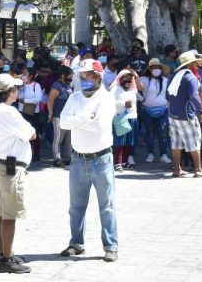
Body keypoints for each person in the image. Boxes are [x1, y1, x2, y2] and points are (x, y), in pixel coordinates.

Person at [58, 59, 119, 262]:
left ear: (97, 76)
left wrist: (78, 120)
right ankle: (76, 243)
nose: (83, 79)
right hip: (77, 160)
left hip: (101, 159)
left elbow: (100, 126)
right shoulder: (75, 97)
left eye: (87, 76)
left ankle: (111, 246)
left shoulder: (106, 99)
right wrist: (86, 119)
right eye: (81, 76)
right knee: (75, 206)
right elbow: (64, 122)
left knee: (107, 206)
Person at [0, 73, 34, 274]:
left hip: (1, 165)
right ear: (9, 92)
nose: (17, 91)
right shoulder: (8, 112)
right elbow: (31, 133)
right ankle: (7, 258)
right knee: (10, 215)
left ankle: (3, 252)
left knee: (2, 212)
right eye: (15, 88)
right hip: (11, 168)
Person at [165, 51, 202, 177]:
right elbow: (194, 96)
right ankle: (198, 169)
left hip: (173, 115)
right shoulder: (190, 78)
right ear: (191, 64)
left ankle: (177, 169)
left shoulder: (173, 76)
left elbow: (167, 96)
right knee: (194, 141)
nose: (197, 65)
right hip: (186, 115)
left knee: (176, 143)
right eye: (195, 63)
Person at [138, 59, 171, 164]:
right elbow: (134, 89)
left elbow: (170, 93)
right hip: (146, 110)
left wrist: (168, 104)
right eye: (154, 67)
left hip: (163, 109)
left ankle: (164, 154)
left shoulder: (165, 80)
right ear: (150, 69)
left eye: (158, 67)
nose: (157, 69)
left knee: (163, 133)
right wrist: (141, 99)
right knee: (148, 133)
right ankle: (150, 154)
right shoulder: (143, 79)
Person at [111, 69, 142, 170]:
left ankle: (124, 162)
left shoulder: (133, 89)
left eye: (130, 78)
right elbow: (109, 102)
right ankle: (118, 163)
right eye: (125, 78)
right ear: (120, 78)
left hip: (132, 117)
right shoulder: (115, 89)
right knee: (120, 141)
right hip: (120, 117)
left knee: (129, 141)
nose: (128, 80)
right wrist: (123, 104)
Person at [47, 66, 73, 167]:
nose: (71, 78)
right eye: (70, 76)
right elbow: (50, 100)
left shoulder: (67, 85)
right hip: (58, 116)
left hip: (69, 117)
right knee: (58, 138)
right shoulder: (57, 85)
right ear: (63, 76)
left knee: (68, 139)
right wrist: (50, 114)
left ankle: (68, 158)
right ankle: (57, 158)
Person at [18, 67, 43, 162]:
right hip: (22, 111)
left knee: (34, 132)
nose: (23, 76)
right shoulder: (21, 85)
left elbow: (38, 98)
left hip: (33, 113)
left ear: (31, 76)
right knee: (23, 132)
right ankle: (24, 153)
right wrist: (19, 88)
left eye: (25, 74)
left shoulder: (36, 85)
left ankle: (36, 154)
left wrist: (25, 101)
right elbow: (18, 97)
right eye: (22, 74)